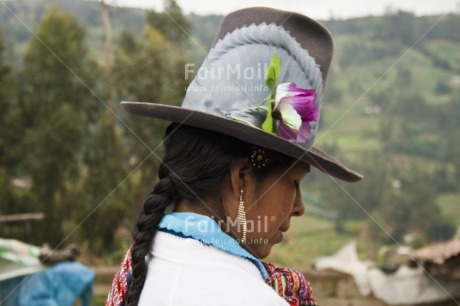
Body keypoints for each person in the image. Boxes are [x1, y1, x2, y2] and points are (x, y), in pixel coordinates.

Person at [107, 7, 363, 306]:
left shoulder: (141, 268)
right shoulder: (248, 297)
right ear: (241, 178)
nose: (299, 207)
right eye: (294, 182)